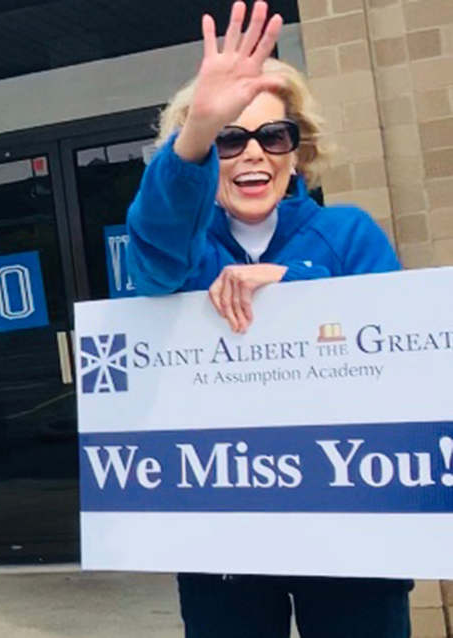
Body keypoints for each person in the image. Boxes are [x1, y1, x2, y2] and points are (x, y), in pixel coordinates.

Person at [127, 2, 411, 637]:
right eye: (230, 138)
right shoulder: (185, 250)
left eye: (272, 136)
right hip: (223, 526)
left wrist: (294, 286)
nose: (252, 154)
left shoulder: (348, 234)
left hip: (351, 518)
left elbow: (398, 348)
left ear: (297, 149)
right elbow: (151, 258)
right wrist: (195, 131)